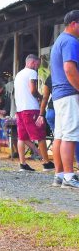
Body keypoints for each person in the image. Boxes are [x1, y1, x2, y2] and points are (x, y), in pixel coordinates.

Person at [49, 10, 79, 189]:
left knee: (60, 135)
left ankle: (59, 174)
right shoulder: (71, 41)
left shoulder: (59, 40)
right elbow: (69, 69)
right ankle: (69, 177)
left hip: (59, 95)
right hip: (68, 94)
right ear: (74, 23)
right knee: (70, 134)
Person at [13, 54, 53, 173]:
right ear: (33, 63)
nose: (38, 66)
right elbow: (32, 90)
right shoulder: (32, 73)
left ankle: (22, 163)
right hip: (31, 108)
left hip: (20, 108)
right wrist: (40, 97)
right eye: (38, 64)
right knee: (40, 135)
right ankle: (46, 162)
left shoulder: (18, 74)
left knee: (22, 137)